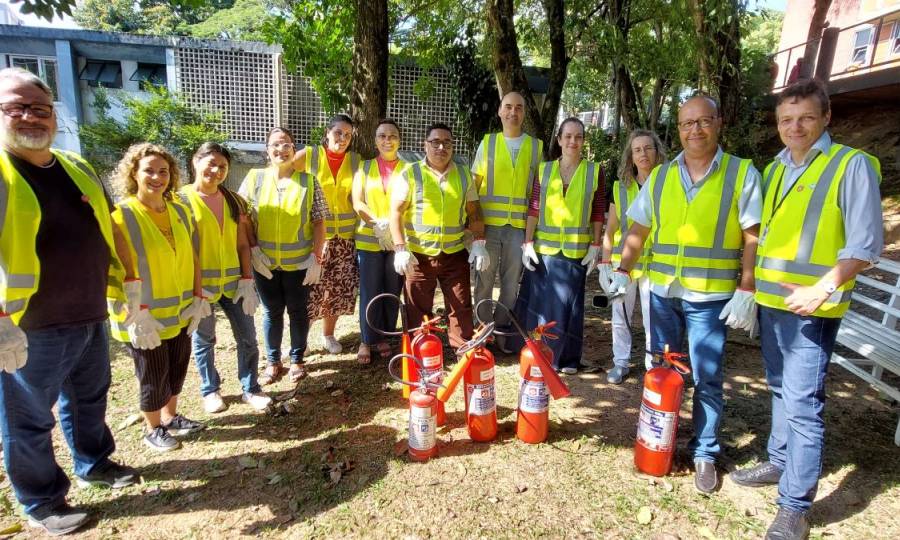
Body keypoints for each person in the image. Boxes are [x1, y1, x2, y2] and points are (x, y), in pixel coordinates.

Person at [730, 79, 882, 540]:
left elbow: (866, 244)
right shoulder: (775, 168)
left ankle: (794, 506)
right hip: (775, 303)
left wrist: (822, 289)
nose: (795, 128)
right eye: (786, 120)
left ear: (826, 118)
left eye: (805, 118)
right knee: (779, 389)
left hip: (812, 309)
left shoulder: (850, 166)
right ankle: (779, 461)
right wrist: (751, 289)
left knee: (803, 405)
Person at [0, 67, 136, 536]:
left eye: (38, 107)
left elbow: (109, 228)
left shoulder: (75, 166)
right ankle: (41, 501)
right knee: (29, 418)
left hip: (88, 312)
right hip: (27, 325)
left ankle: (94, 462)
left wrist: (127, 284)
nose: (28, 115)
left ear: (54, 116)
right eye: (13, 106)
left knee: (89, 398)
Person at [608, 95, 762, 494]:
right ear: (677, 129)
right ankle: (658, 440)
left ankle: (705, 453)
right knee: (661, 370)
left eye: (703, 121)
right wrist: (622, 269)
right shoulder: (660, 177)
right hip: (662, 292)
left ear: (719, 122)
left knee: (707, 375)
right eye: (686, 123)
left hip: (709, 297)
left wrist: (747, 287)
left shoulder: (741, 173)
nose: (695, 130)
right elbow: (638, 230)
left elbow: (752, 237)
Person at [109, 143, 210, 454]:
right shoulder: (121, 215)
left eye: (163, 171)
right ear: (134, 174)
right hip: (144, 316)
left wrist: (197, 295)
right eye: (149, 171)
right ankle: (153, 428)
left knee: (177, 366)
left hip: (179, 309)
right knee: (153, 373)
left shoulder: (179, 210)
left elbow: (192, 255)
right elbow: (116, 265)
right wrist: (132, 311)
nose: (157, 177)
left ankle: (171, 416)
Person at [179, 143, 271, 412]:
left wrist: (247, 279)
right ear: (195, 161)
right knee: (204, 339)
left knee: (247, 337)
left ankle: (251, 387)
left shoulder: (233, 200)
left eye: (222, 167)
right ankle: (211, 390)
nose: (216, 171)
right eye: (211, 164)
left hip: (234, 284)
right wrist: (193, 291)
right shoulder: (180, 200)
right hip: (200, 286)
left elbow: (242, 243)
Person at [239, 127, 327, 385]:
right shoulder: (254, 178)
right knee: (271, 312)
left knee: (299, 312)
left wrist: (316, 257)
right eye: (275, 145)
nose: (281, 149)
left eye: (286, 144)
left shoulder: (308, 181)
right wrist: (253, 248)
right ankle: (273, 361)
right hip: (264, 263)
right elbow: (243, 218)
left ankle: (297, 359)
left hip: (299, 262)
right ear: (267, 150)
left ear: (293, 148)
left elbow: (320, 221)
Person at [388, 122, 489, 348]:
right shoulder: (411, 173)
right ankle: (421, 352)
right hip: (418, 256)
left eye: (447, 142)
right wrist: (400, 249)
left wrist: (479, 243)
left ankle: (464, 350)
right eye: (435, 142)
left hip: (454, 255)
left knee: (461, 305)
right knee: (416, 308)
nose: (441, 147)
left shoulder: (464, 175)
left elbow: (474, 211)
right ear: (425, 145)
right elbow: (396, 211)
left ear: (452, 146)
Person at [520, 117, 605, 374]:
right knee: (543, 305)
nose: (573, 141)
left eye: (578, 136)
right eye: (567, 136)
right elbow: (534, 208)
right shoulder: (545, 169)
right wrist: (527, 242)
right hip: (544, 252)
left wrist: (596, 245)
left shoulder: (594, 171)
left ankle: (567, 358)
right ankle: (541, 354)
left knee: (571, 306)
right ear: (559, 140)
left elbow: (598, 210)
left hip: (576, 252)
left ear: (583, 141)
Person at [470, 92, 543, 352]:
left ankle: (502, 329)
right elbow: (473, 186)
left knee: (511, 284)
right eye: (508, 107)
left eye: (519, 108)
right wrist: (473, 228)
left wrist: (531, 235)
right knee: (484, 281)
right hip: (488, 227)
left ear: (524, 113)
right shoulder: (488, 143)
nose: (513, 112)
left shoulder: (536, 147)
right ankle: (483, 332)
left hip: (518, 229)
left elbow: (537, 191)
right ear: (500, 111)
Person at [598, 130, 667, 384]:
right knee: (620, 315)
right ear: (631, 156)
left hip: (654, 265)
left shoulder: (667, 183)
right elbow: (611, 229)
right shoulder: (620, 187)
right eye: (637, 150)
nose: (643, 154)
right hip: (622, 266)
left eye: (648, 148)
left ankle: (653, 366)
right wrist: (605, 264)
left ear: (657, 152)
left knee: (653, 318)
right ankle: (620, 363)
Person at [295, 114, 360, 354]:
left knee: (335, 289)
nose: (342, 139)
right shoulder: (310, 155)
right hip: (316, 239)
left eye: (348, 135)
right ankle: (299, 342)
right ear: (327, 132)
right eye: (338, 133)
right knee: (311, 291)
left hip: (344, 239)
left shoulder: (355, 161)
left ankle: (328, 335)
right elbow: (283, 176)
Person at [351, 119, 408, 364]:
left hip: (397, 241)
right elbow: (358, 201)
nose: (387, 140)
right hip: (370, 239)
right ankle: (367, 339)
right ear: (375, 140)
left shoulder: (410, 169)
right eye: (382, 136)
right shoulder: (364, 168)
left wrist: (392, 230)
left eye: (392, 135)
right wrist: (377, 223)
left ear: (399, 139)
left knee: (392, 288)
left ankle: (384, 335)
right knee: (370, 289)